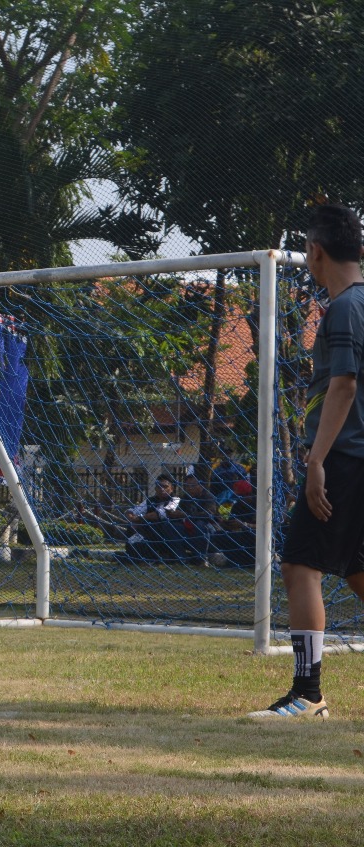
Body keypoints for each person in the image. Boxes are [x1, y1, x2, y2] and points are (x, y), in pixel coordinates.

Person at [248, 203, 364, 719]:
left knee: (300, 565)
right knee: (358, 570)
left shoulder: (344, 308)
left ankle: (308, 692)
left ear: (314, 252)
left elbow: (343, 386)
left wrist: (316, 461)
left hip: (343, 458)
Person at [120, 474, 180, 561]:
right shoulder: (150, 500)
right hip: (149, 531)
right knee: (132, 527)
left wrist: (139, 518)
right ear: (155, 488)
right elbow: (133, 510)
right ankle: (134, 553)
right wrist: (131, 517)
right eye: (159, 486)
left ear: (171, 488)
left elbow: (161, 514)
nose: (162, 489)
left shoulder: (175, 500)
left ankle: (157, 554)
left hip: (165, 533)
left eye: (165, 486)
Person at [166, 472, 220, 563]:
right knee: (170, 525)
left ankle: (201, 558)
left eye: (192, 485)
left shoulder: (208, 496)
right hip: (189, 528)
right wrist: (173, 514)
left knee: (199, 524)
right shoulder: (185, 497)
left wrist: (186, 515)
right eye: (187, 486)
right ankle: (182, 558)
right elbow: (177, 512)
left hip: (210, 529)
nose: (189, 488)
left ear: (200, 485)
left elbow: (209, 514)